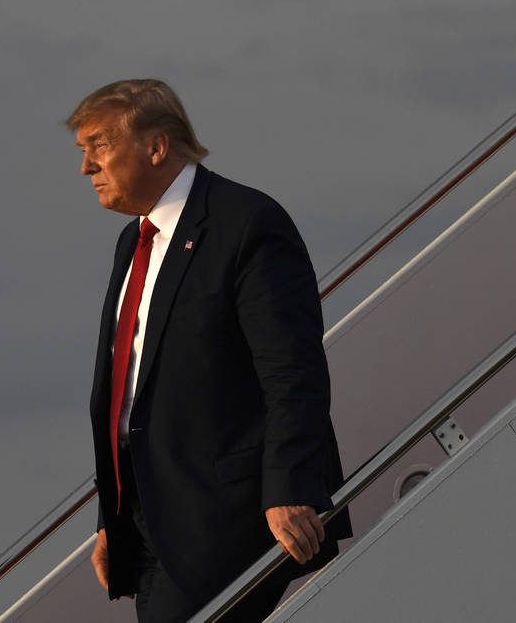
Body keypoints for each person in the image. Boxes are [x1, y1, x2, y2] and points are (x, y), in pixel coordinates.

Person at [68, 79, 352, 622]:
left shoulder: (245, 222)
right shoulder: (134, 241)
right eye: (84, 151)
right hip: (152, 526)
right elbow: (131, 392)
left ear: (155, 147)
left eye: (100, 145)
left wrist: (291, 487)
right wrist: (114, 518)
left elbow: (292, 371)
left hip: (230, 517)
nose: (87, 167)